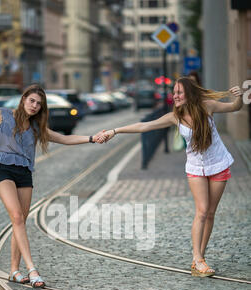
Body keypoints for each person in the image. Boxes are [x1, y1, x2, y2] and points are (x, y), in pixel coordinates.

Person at [0, 84, 105, 288]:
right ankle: (32, 269)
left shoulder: (37, 127)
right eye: (32, 101)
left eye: (39, 104)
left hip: (24, 173)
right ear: (24, 99)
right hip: (3, 170)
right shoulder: (3, 115)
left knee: (20, 221)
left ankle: (14, 270)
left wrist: (91, 138)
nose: (34, 106)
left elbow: (63, 138)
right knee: (17, 216)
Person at [97, 77, 243, 277]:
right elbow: (144, 126)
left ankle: (199, 258)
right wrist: (116, 130)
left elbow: (234, 107)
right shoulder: (175, 116)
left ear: (189, 94)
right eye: (174, 93)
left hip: (218, 164)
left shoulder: (207, 106)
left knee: (210, 213)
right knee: (201, 211)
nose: (175, 96)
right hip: (195, 168)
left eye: (179, 92)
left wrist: (240, 97)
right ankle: (198, 259)